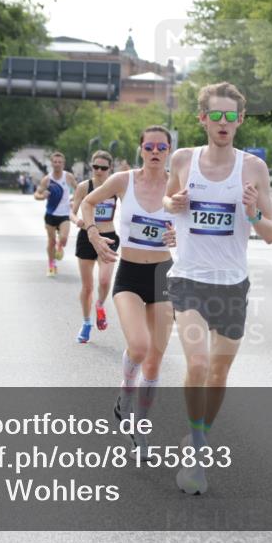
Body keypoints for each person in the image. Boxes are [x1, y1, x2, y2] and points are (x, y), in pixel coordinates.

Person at [163, 82, 272, 495]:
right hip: (188, 278)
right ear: (203, 118)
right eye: (217, 115)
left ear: (241, 120)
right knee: (196, 365)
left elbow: (271, 233)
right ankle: (195, 454)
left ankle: (198, 436)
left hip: (232, 284)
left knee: (217, 372)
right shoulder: (182, 159)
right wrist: (171, 206)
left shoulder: (253, 169)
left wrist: (251, 211)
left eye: (232, 117)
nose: (224, 123)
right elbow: (166, 203)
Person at [82, 126, 175, 460]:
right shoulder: (123, 180)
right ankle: (125, 393)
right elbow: (88, 203)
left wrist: (180, 236)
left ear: (169, 150)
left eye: (161, 147)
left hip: (163, 273)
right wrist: (93, 235)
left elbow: (192, 225)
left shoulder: (177, 184)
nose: (154, 151)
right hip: (130, 273)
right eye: (148, 146)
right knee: (139, 346)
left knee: (155, 359)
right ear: (140, 150)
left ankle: (140, 429)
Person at [70, 150, 119, 343]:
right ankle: (86, 322)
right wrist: (78, 221)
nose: (98, 171)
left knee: (105, 281)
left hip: (108, 236)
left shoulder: (115, 187)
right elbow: (72, 212)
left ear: (110, 169)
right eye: (95, 167)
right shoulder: (84, 186)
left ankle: (99, 305)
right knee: (88, 286)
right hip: (87, 236)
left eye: (103, 168)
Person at [34, 152, 76, 277]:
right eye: (55, 162)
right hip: (51, 214)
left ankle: (60, 246)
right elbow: (36, 195)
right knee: (51, 241)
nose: (57, 164)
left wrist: (74, 200)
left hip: (64, 214)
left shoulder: (68, 177)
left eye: (60, 162)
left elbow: (79, 189)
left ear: (63, 164)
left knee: (63, 238)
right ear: (52, 163)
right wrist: (42, 196)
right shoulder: (47, 179)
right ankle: (51, 265)